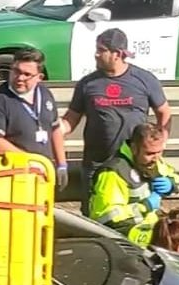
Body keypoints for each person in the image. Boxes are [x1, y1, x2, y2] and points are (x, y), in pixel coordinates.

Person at [60, 28, 172, 188]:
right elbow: (71, 119)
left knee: (133, 211)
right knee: (92, 212)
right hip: (97, 165)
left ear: (117, 54)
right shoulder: (87, 84)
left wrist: (161, 144)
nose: (96, 54)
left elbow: (164, 113)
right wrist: (57, 129)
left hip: (132, 163)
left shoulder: (144, 80)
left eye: (101, 50)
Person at [0, 48, 67, 189]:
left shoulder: (45, 94)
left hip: (43, 176)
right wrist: (30, 161)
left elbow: (55, 129)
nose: (20, 78)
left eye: (27, 74)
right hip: (13, 178)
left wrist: (62, 164)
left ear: (39, 77)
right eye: (16, 71)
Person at [85, 122, 179, 240]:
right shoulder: (113, 173)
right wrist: (145, 206)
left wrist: (171, 184)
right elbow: (106, 217)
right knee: (169, 241)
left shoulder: (152, 161)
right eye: (150, 153)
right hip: (121, 234)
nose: (156, 158)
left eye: (159, 152)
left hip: (148, 225)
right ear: (134, 148)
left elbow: (176, 177)